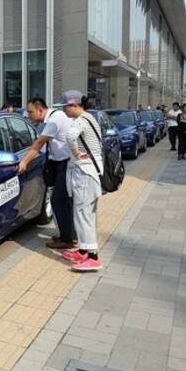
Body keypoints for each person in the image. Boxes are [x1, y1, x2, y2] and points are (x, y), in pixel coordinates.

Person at [18, 97, 77, 250]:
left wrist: (24, 162)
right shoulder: (54, 117)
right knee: (64, 201)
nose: (29, 115)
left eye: (30, 112)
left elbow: (39, 142)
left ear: (40, 110)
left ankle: (68, 239)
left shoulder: (54, 119)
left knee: (59, 200)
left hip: (66, 164)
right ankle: (69, 235)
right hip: (60, 163)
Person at [60, 90, 104, 271]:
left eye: (65, 107)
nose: (64, 110)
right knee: (87, 214)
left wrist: (76, 153)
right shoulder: (91, 118)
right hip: (91, 172)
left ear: (74, 105)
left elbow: (70, 136)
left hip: (84, 174)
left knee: (84, 215)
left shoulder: (81, 121)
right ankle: (84, 250)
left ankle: (93, 258)